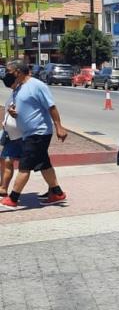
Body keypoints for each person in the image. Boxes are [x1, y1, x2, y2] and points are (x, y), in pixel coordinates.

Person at [0, 61, 69, 210]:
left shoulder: (37, 85)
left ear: (18, 71)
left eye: (9, 71)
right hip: (28, 133)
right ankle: (57, 193)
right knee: (43, 164)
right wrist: (13, 112)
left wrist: (59, 126)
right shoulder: (18, 88)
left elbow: (51, 106)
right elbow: (23, 107)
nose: (7, 74)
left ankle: (13, 198)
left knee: (25, 166)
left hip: (39, 132)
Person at [0, 66, 23, 197]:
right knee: (6, 160)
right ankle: (3, 187)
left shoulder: (23, 92)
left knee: (39, 164)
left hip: (22, 135)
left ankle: (53, 187)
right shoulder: (13, 92)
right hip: (9, 134)